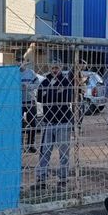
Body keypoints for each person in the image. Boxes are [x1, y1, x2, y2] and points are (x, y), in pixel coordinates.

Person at [34, 60, 73, 193]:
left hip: (63, 121)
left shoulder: (66, 82)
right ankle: (42, 179)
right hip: (49, 121)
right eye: (52, 68)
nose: (54, 70)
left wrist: (51, 95)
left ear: (61, 68)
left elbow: (66, 99)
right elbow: (40, 97)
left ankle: (63, 179)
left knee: (64, 153)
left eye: (57, 68)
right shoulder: (45, 81)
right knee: (45, 151)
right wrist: (55, 93)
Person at [18, 58, 40, 153]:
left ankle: (31, 145)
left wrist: (28, 86)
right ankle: (20, 145)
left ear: (24, 63)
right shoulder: (14, 73)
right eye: (17, 62)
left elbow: (37, 83)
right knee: (19, 124)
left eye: (20, 62)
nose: (19, 64)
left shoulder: (30, 72)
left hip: (30, 100)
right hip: (18, 102)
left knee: (32, 124)